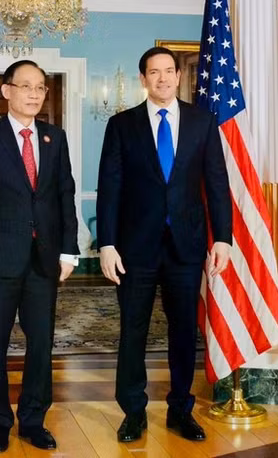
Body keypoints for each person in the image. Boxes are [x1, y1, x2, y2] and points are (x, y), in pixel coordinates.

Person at [97, 46, 232, 443]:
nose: (162, 78)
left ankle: (180, 410)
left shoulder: (202, 122)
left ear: (179, 76)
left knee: (182, 332)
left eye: (169, 71)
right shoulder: (122, 125)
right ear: (143, 79)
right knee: (133, 330)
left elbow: (217, 185)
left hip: (186, 248)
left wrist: (222, 237)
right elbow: (110, 189)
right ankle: (133, 412)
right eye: (154, 72)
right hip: (134, 248)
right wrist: (107, 243)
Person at [0, 60, 79, 453]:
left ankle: (33, 420)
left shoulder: (54, 138)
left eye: (40, 87)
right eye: (25, 86)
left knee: (41, 344)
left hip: (43, 260)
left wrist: (69, 250)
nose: (33, 93)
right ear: (6, 91)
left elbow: (64, 197)